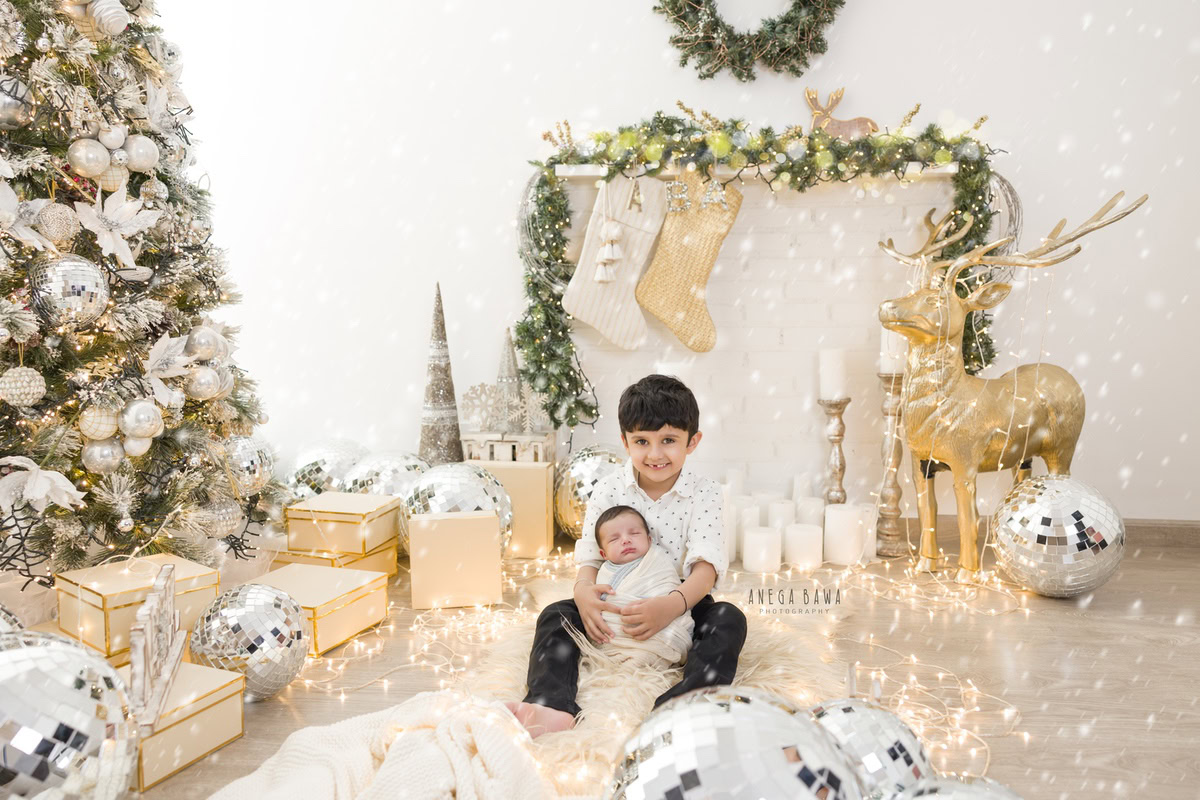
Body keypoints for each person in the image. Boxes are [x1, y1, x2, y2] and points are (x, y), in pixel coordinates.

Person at [506, 374, 747, 738]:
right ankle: (551, 702)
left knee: (729, 620)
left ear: (692, 442)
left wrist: (670, 606)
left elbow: (705, 569)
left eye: (669, 440)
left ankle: (687, 701)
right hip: (616, 600)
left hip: (680, 601)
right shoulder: (609, 488)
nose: (654, 454)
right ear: (624, 441)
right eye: (641, 441)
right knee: (555, 616)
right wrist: (584, 591)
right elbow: (589, 555)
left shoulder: (706, 493)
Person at [590, 504, 694, 667]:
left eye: (634, 533)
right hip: (619, 632)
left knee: (728, 617)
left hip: (665, 624)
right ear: (604, 554)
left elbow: (668, 587)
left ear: (649, 540)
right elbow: (601, 605)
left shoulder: (657, 562)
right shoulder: (605, 572)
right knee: (557, 616)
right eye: (614, 539)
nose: (626, 540)